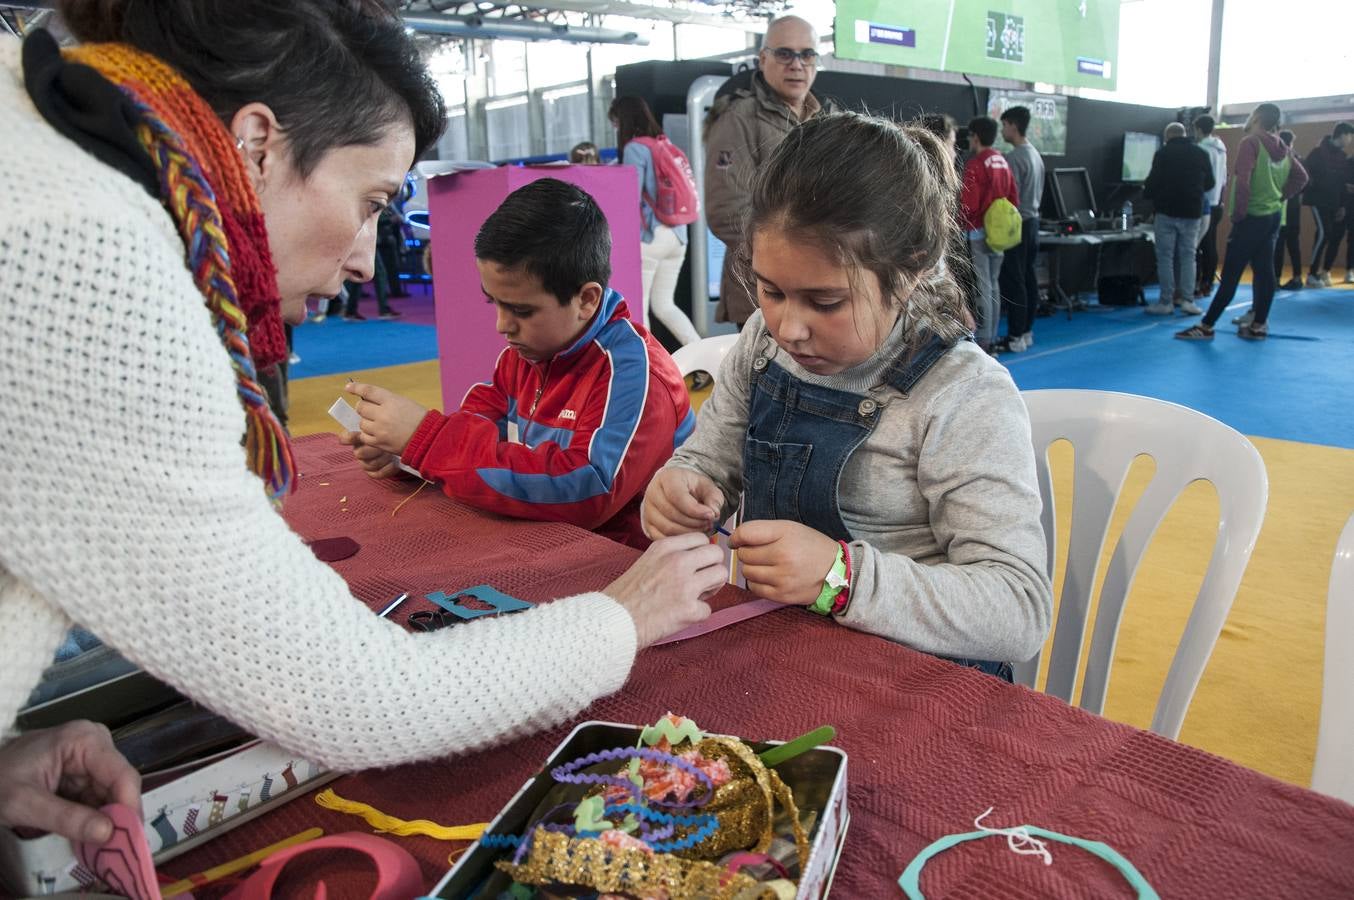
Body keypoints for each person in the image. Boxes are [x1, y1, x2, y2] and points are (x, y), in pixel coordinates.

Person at [0, 1, 726, 844]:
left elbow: (580, 474)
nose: (361, 258)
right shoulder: (80, 252)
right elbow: (357, 699)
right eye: (373, 200)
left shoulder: (45, 157)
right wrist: (619, 620)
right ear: (256, 143)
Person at [642, 112, 1052, 678]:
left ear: (910, 272)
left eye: (826, 302)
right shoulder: (762, 343)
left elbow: (1019, 609)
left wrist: (840, 579)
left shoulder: (962, 395)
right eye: (770, 290)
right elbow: (707, 462)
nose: (789, 328)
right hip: (785, 664)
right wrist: (679, 490)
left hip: (919, 693)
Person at [343, 178, 695, 550]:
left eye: (521, 310)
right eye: (493, 302)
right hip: (561, 546)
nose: (502, 326)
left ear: (587, 300)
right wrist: (409, 457)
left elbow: (588, 490)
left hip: (638, 564)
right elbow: (474, 425)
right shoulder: (526, 355)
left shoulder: (636, 376)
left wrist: (428, 441)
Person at [704, 15, 826, 327]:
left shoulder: (825, 122)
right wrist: (801, 248)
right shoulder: (738, 120)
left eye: (807, 54)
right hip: (763, 297)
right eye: (784, 53)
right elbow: (726, 212)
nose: (797, 64)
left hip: (822, 289)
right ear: (763, 59)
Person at [1177, 103, 1308, 341]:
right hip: (1272, 216)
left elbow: (1244, 182)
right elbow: (1301, 177)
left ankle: (1206, 326)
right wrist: (1281, 195)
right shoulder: (1283, 149)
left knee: (1231, 274)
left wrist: (1238, 215)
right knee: (1265, 271)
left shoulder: (1251, 143)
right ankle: (1259, 325)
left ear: (1256, 117)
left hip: (1251, 218)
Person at [609, 96, 700, 347]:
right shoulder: (664, 144)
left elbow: (632, 194)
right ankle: (702, 357)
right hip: (679, 235)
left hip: (651, 236)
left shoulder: (634, 148)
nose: (615, 128)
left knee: (638, 309)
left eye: (616, 122)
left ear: (623, 120)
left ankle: (648, 366)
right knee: (665, 305)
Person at [1142, 122, 1214, 315]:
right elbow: (1210, 183)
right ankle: (1188, 300)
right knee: (1188, 256)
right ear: (1185, 135)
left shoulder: (1163, 154)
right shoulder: (1201, 153)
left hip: (1166, 212)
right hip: (1192, 212)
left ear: (1167, 137)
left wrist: (1150, 194)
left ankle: (1166, 302)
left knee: (1165, 257)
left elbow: (1151, 184)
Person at [960, 115, 1019, 352]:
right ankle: (992, 335)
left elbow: (969, 203)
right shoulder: (1002, 160)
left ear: (975, 136)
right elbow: (1014, 195)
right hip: (1001, 232)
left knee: (983, 284)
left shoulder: (976, 164)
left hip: (979, 231)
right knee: (993, 284)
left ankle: (984, 339)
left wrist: (960, 222)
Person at [995, 105, 1045, 352]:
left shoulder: (1015, 158)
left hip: (1018, 225)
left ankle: (1015, 336)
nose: (1002, 130)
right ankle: (1026, 331)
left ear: (1013, 125)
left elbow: (1007, 195)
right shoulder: (1035, 154)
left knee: (1016, 281)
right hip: (1032, 222)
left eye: (1004, 125)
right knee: (1027, 277)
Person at [1302, 122, 1354, 287]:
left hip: (1334, 202)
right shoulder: (1318, 152)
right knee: (1325, 233)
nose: (1351, 139)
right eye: (1350, 136)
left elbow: (1342, 183)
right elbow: (1306, 173)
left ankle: (1317, 273)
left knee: (1325, 235)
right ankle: (1312, 274)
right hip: (1318, 200)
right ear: (1343, 134)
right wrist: (1317, 187)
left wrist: (1342, 206)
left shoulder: (1342, 157)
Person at [1193, 115, 1228, 298]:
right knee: (1210, 244)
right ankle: (1207, 282)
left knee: (1200, 245)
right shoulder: (1221, 149)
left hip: (1204, 202)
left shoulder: (1201, 150)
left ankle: (1201, 283)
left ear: (1199, 129)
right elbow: (1224, 178)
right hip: (1217, 202)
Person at [1272, 129, 1305, 293]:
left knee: (1279, 245)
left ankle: (1276, 278)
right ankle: (1297, 276)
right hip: (1294, 207)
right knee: (1293, 244)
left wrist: (1283, 194)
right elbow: (1305, 182)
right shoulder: (1297, 159)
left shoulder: (1281, 159)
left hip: (1282, 207)